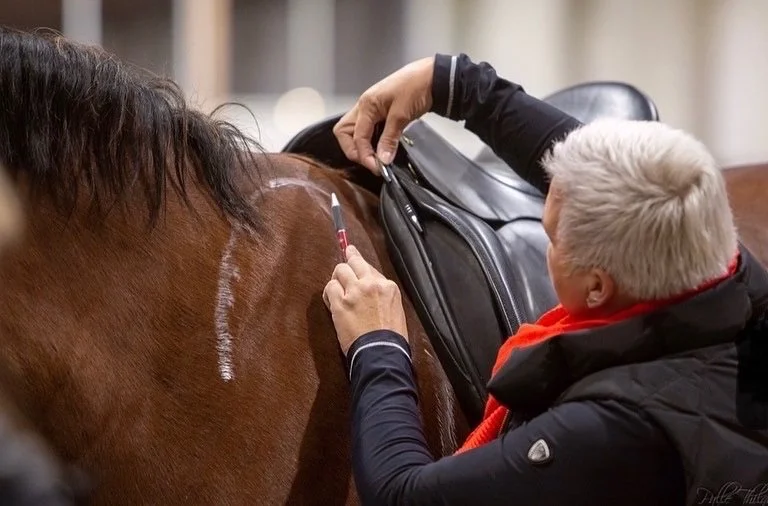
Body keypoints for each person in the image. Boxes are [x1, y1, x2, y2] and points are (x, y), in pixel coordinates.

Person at [322, 54, 768, 506]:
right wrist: (455, 85)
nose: (546, 241)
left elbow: (402, 496)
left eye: (551, 236)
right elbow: (598, 176)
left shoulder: (606, 429)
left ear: (597, 286)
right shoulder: (740, 287)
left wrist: (378, 347)